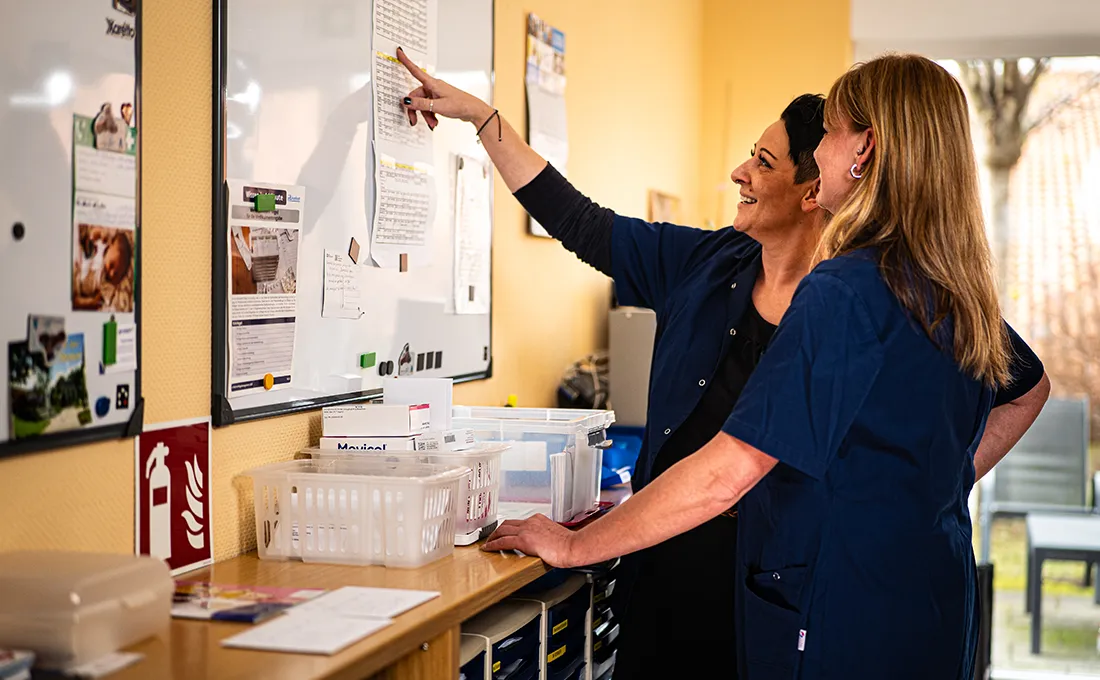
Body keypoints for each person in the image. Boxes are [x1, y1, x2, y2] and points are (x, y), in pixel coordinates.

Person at [396, 50, 1049, 678]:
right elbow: (1016, 395)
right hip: (928, 607)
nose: (822, 150)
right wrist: (927, 488)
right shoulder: (948, 288)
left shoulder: (847, 290)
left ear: (865, 149)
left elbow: (730, 472)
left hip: (837, 609)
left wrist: (572, 546)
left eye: (830, 133)